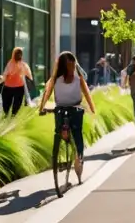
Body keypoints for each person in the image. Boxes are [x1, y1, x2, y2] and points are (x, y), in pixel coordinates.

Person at [37, 51, 96, 182]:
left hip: (64, 109)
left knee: (64, 132)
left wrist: (41, 109)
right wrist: (92, 109)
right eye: (71, 65)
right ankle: (77, 156)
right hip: (71, 108)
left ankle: (73, 153)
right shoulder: (70, 79)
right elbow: (86, 94)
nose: (72, 67)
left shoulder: (58, 79)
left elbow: (46, 94)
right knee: (74, 133)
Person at [1, 47, 33, 116]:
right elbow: (5, 76)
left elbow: (29, 76)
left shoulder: (22, 65)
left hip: (17, 88)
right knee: (7, 107)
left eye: (20, 53)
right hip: (9, 88)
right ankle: (7, 117)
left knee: (15, 107)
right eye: (17, 53)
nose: (19, 55)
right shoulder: (12, 64)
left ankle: (11, 118)